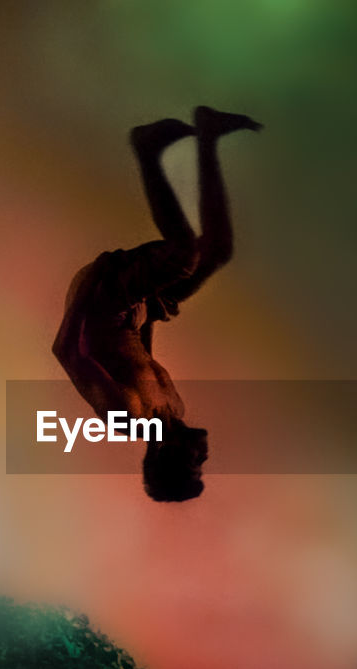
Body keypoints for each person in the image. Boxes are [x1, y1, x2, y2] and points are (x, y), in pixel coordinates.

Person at [52, 106, 261, 501]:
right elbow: (142, 358)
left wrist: (92, 283)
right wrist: (149, 312)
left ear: (166, 454)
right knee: (216, 252)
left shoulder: (126, 415)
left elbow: (65, 351)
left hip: (104, 301)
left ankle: (148, 150)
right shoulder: (173, 409)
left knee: (183, 256)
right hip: (133, 313)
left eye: (194, 462)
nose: (204, 456)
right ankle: (209, 136)